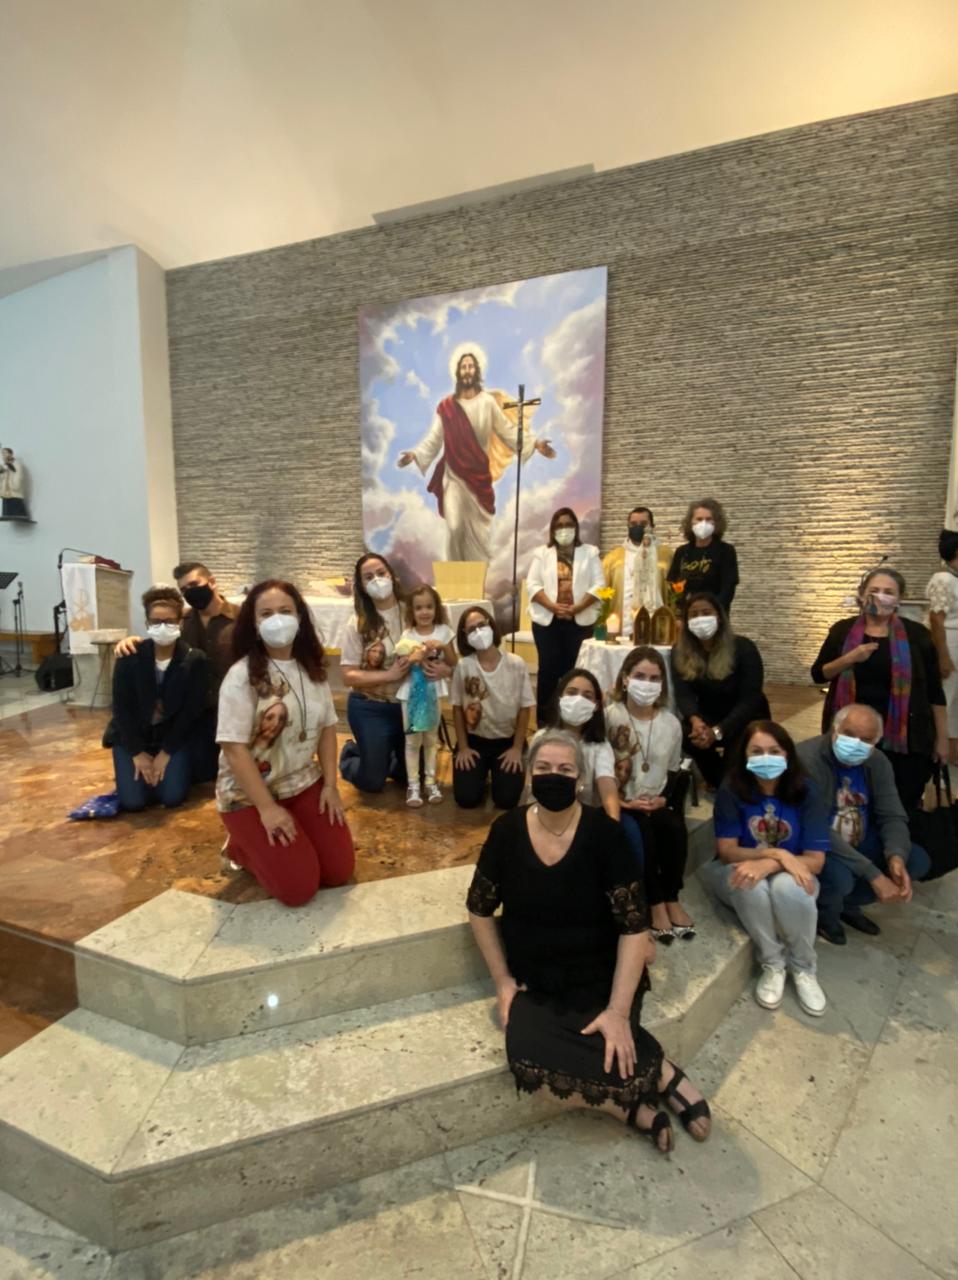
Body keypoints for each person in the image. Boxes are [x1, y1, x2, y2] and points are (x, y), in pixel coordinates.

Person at [466, 730, 712, 1154]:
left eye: (565, 769)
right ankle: (640, 1095)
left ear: (581, 780)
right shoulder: (506, 830)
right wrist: (502, 981)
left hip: (599, 969)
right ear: (529, 776)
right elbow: (479, 908)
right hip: (536, 977)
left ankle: (657, 1076)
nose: (554, 776)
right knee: (526, 1060)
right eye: (543, 768)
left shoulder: (605, 835)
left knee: (611, 1036)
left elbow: (634, 926)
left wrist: (618, 1011)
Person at [216, 579, 354, 907]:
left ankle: (290, 837)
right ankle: (240, 846)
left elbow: (327, 727)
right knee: (298, 889)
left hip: (301, 781)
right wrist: (267, 809)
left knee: (338, 871)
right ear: (254, 624)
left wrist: (330, 786)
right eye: (266, 614)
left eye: (285, 611)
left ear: (299, 617)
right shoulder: (242, 676)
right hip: (249, 794)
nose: (277, 619)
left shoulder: (311, 668)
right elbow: (233, 749)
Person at [704, 721, 831, 1016]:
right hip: (737, 869)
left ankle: (803, 967)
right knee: (749, 882)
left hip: (791, 872)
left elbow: (815, 860)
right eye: (757, 751)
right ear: (744, 755)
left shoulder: (807, 790)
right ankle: (773, 963)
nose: (766, 758)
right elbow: (727, 852)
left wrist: (773, 862)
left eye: (774, 751)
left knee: (790, 888)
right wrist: (776, 853)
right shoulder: (731, 789)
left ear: (788, 754)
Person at [397, 350, 556, 562]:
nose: (467, 370)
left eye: (470, 366)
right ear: (458, 372)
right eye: (463, 367)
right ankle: (454, 576)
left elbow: (507, 430)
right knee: (454, 527)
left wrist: (535, 443)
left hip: (479, 477)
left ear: (476, 371)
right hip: (454, 476)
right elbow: (434, 438)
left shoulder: (487, 402)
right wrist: (415, 454)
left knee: (479, 537)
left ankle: (474, 577)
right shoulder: (447, 406)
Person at [811, 567, 948, 812]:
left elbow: (935, 692)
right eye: (874, 590)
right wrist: (850, 658)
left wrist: (942, 739)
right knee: (849, 801)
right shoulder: (842, 631)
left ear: (899, 598)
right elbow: (819, 674)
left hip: (905, 738)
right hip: (852, 735)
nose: (880, 597)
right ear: (862, 594)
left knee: (900, 803)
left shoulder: (917, 635)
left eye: (888, 592)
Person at [797, 705, 932, 944]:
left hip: (858, 833)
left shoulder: (877, 762)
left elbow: (892, 814)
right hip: (818, 844)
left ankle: (847, 904)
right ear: (834, 730)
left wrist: (896, 855)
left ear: (876, 742)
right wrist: (873, 874)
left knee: (916, 860)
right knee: (840, 878)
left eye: (866, 740)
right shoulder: (807, 759)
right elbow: (815, 826)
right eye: (849, 734)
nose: (856, 744)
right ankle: (826, 915)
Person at [114, 560, 240, 782]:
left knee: (233, 772)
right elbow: (161, 639)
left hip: (233, 708)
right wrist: (132, 641)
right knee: (201, 775)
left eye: (194, 584)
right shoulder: (182, 620)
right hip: (198, 713)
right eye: (184, 589)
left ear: (211, 582)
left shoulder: (241, 618)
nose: (189, 592)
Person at [339, 553, 452, 794]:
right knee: (372, 782)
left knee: (410, 774)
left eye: (381, 573)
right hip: (371, 706)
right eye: (369, 577)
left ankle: (385, 753)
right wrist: (388, 675)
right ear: (362, 586)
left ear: (392, 575)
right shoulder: (357, 623)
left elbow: (443, 647)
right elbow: (348, 675)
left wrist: (445, 669)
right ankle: (352, 753)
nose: (377, 580)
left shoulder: (413, 611)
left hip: (410, 703)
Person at [606, 647, 694, 941]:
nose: (647, 684)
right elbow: (598, 766)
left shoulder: (670, 723)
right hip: (620, 801)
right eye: (640, 676)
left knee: (673, 827)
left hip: (654, 800)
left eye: (654, 678)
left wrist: (663, 799)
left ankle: (672, 897)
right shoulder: (610, 717)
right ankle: (655, 904)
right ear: (625, 678)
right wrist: (622, 801)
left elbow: (673, 770)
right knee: (642, 832)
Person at [108, 585, 209, 811]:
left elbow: (190, 712)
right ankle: (138, 778)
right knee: (133, 803)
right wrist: (136, 752)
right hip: (133, 737)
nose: (163, 627)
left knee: (172, 798)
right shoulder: (129, 656)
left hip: (171, 738)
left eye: (170, 621)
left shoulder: (194, 659)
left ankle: (162, 776)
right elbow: (121, 708)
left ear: (180, 623)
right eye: (156, 622)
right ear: (147, 624)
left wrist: (166, 753)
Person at [670, 592, 769, 787]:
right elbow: (683, 692)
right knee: (684, 733)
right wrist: (696, 721)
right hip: (708, 713)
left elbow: (750, 699)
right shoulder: (680, 651)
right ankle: (716, 777)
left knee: (733, 778)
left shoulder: (744, 648)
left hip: (744, 717)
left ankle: (731, 776)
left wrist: (717, 731)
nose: (700, 619)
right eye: (694, 615)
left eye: (706, 613)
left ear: (720, 617)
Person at [451, 606, 534, 810]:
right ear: (465, 636)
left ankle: (495, 775)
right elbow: (457, 708)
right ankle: (481, 776)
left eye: (481, 625)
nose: (478, 631)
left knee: (506, 801)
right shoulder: (464, 666)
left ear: (491, 625)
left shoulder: (516, 664)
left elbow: (525, 709)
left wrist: (516, 748)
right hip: (474, 741)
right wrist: (463, 747)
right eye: (471, 629)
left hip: (507, 742)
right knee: (466, 799)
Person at [526, 507, 605, 721]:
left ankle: (573, 720)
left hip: (579, 621)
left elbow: (599, 585)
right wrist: (552, 606)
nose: (564, 529)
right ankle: (545, 722)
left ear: (576, 528)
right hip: (547, 622)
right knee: (548, 672)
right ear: (553, 530)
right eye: (559, 525)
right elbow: (532, 585)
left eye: (568, 524)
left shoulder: (590, 552)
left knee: (575, 672)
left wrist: (577, 607)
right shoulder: (542, 554)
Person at [395, 583, 457, 807]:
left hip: (433, 692)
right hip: (410, 694)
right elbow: (401, 664)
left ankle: (430, 781)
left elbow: (453, 661)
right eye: (419, 607)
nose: (424, 612)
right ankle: (413, 784)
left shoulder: (444, 631)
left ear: (436, 608)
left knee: (431, 738)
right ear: (412, 611)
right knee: (412, 740)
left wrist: (443, 647)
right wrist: (412, 658)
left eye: (429, 607)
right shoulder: (407, 634)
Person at [532, 667, 619, 818]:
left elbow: (608, 789)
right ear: (560, 697)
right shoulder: (541, 738)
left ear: (596, 706)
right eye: (572, 693)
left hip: (586, 817)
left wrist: (614, 823)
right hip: (545, 814)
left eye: (587, 696)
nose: (579, 700)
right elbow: (530, 786)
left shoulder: (600, 746)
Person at [667, 498, 739, 612]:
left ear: (716, 523)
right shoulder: (681, 552)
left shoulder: (726, 551)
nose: (703, 523)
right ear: (691, 522)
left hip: (716, 614)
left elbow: (728, 589)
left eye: (708, 519)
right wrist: (680, 611)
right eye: (699, 519)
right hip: (687, 614)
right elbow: (673, 585)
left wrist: (711, 611)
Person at [602, 506, 672, 620]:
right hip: (622, 621)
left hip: (657, 618)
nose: (638, 527)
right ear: (628, 527)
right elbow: (603, 592)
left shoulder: (666, 555)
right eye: (633, 524)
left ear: (652, 526)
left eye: (643, 524)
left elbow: (675, 592)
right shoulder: (613, 558)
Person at [926, 529, 958, 763]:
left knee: (956, 703)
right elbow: (936, 619)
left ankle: (954, 751)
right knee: (945, 698)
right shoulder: (943, 579)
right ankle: (937, 749)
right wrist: (943, 657)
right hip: (950, 643)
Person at [0, 446, 29, 520]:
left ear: (10, 454)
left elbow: (18, 474)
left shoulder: (17, 463)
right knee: (7, 502)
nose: (3, 455)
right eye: (2, 453)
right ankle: (7, 515)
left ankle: (19, 515)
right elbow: (3, 475)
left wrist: (14, 484)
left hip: (14, 487)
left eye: (5, 453)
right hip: (6, 489)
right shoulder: (4, 465)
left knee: (15, 501)